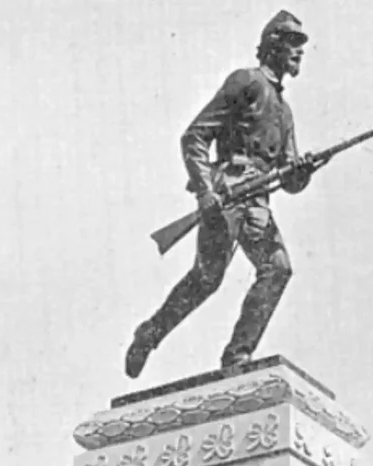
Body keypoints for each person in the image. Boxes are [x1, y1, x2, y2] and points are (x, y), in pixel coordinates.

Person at [125, 12, 317, 379]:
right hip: (228, 191)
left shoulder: (285, 112)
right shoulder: (246, 81)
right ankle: (149, 334)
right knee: (207, 279)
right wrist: (205, 191)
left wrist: (303, 171)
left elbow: (289, 179)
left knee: (278, 269)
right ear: (273, 45)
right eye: (293, 44)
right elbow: (195, 136)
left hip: (259, 202)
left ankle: (237, 356)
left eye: (301, 47)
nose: (299, 53)